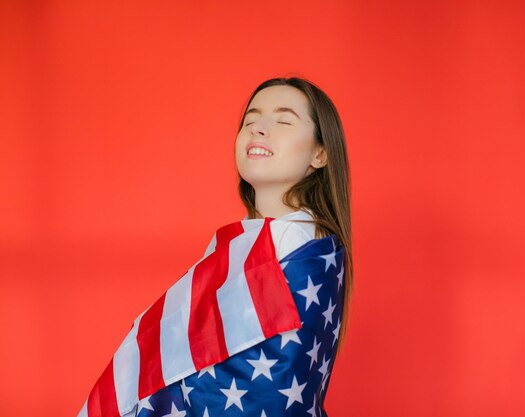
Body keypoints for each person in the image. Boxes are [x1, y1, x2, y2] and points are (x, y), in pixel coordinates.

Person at [78, 77, 353, 417]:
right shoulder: (236, 244)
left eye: (283, 120)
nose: (259, 129)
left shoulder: (299, 246)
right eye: (250, 121)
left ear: (320, 153)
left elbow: (267, 389)